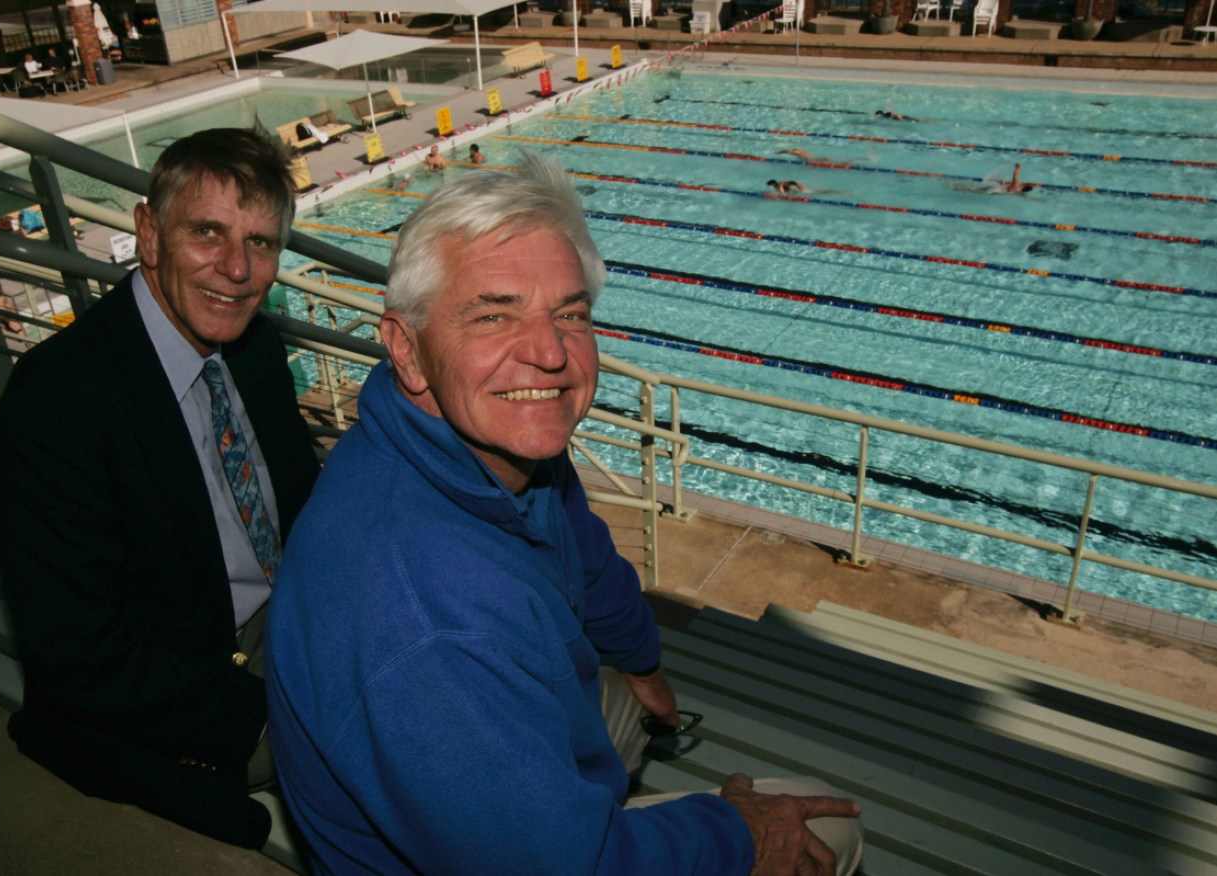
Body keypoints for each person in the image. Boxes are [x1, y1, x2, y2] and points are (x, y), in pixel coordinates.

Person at [266, 153, 864, 875]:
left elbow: (581, 549)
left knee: (615, 702)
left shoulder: (487, 453)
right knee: (819, 825)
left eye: (569, 314)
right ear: (407, 349)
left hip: (510, 795)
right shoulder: (426, 617)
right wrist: (735, 831)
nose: (550, 354)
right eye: (494, 313)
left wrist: (643, 664)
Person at [0, 125, 320, 849]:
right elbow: (77, 654)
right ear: (149, 234)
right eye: (207, 232)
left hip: (289, 620)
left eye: (260, 243)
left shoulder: (252, 347)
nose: (237, 268)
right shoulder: (57, 403)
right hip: (189, 692)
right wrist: (269, 713)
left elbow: (303, 498)